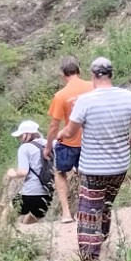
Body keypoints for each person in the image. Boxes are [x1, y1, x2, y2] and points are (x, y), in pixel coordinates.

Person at [67, 57, 131, 261]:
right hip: (119, 167)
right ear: (112, 73)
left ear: (93, 75)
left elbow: (71, 131)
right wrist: (126, 146)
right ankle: (101, 236)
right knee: (106, 203)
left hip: (94, 168)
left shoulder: (85, 100)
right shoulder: (128, 96)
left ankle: (90, 257)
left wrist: (60, 135)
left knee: (89, 209)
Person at [45, 57, 92, 222]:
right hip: (90, 141)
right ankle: (87, 210)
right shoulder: (93, 86)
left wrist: (48, 146)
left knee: (60, 172)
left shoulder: (60, 96)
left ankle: (66, 213)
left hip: (68, 142)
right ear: (79, 70)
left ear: (62, 74)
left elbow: (54, 126)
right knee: (86, 174)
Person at [4, 120, 52, 221]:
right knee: (32, 219)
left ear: (29, 134)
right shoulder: (49, 144)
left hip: (30, 192)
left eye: (21, 136)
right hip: (47, 193)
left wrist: (12, 174)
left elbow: (23, 172)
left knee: (6, 214)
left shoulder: (24, 148)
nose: (20, 138)